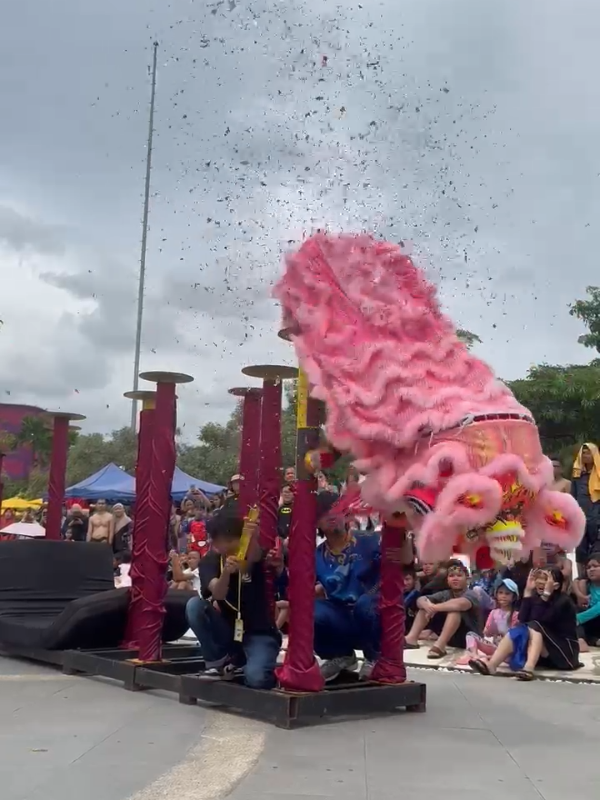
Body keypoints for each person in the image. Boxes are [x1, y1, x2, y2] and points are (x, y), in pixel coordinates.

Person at [313, 492, 413, 682]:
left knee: (364, 605)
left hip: (373, 611)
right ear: (317, 523)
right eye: (327, 514)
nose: (334, 517)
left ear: (347, 515)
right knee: (308, 610)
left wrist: (404, 535)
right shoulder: (316, 555)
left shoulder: (369, 540)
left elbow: (405, 560)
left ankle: (374, 658)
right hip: (341, 617)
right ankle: (340, 656)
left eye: (339, 511)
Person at [185, 506, 281, 688]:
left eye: (234, 539)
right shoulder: (211, 561)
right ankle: (216, 663)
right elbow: (218, 592)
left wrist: (252, 534)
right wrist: (226, 574)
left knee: (257, 679)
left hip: (259, 632)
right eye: (224, 540)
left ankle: (249, 664)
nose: (228, 545)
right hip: (229, 631)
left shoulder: (254, 555)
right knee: (195, 606)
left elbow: (254, 556)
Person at [469, 568, 580, 680]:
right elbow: (522, 619)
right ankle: (492, 665)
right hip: (544, 653)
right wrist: (527, 592)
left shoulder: (564, 601)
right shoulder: (538, 598)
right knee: (519, 628)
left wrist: (545, 595)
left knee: (534, 625)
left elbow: (539, 621)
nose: (540, 583)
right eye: (539, 579)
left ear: (555, 586)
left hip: (564, 654)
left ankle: (529, 668)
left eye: (545, 580)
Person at [404, 562, 482, 658]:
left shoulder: (472, 593)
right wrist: (427, 606)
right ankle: (411, 639)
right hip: (452, 637)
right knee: (424, 606)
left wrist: (433, 608)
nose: (455, 578)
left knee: (454, 611)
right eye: (451, 576)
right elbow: (420, 600)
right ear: (447, 580)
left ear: (467, 578)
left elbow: (460, 604)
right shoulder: (446, 593)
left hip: (470, 638)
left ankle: (440, 646)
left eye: (459, 575)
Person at [457, 579, 519, 664]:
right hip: (495, 647)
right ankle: (474, 656)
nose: (503, 596)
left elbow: (514, 637)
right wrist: (491, 628)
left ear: (514, 597)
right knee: (470, 635)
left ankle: (490, 658)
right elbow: (487, 633)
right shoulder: (494, 612)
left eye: (507, 594)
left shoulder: (516, 615)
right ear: (496, 594)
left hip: (507, 651)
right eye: (500, 593)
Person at [572, 443, 600, 577]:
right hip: (580, 517)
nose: (585, 456)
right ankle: (582, 579)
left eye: (588, 453)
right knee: (580, 551)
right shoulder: (577, 475)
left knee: (597, 550)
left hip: (596, 517)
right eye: (583, 453)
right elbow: (573, 497)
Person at [575, 553, 600, 647]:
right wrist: (579, 594)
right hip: (592, 623)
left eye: (595, 566)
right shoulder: (587, 585)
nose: (591, 570)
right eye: (588, 567)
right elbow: (575, 581)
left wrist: (578, 618)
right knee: (574, 609)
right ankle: (582, 639)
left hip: (592, 617)